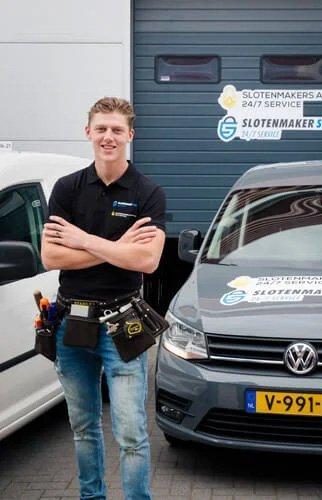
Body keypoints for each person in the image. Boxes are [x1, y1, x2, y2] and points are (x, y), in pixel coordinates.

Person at [41, 97, 166, 500]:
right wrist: (117, 247)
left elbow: (147, 261)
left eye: (116, 130)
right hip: (70, 324)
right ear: (88, 132)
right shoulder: (67, 189)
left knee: (131, 433)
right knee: (83, 428)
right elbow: (51, 257)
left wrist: (82, 239)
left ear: (130, 135)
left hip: (123, 325)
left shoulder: (148, 192)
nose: (108, 137)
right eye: (101, 129)